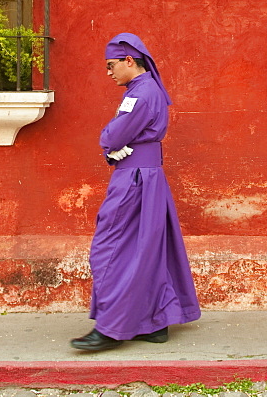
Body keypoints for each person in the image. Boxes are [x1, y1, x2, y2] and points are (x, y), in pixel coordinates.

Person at [70, 33, 201, 352]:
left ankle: (111, 327)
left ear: (130, 61)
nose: (108, 72)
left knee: (110, 248)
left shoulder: (140, 94)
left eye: (111, 65)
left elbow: (112, 137)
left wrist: (108, 140)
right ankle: (155, 322)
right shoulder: (147, 90)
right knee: (146, 251)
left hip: (134, 179)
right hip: (147, 178)